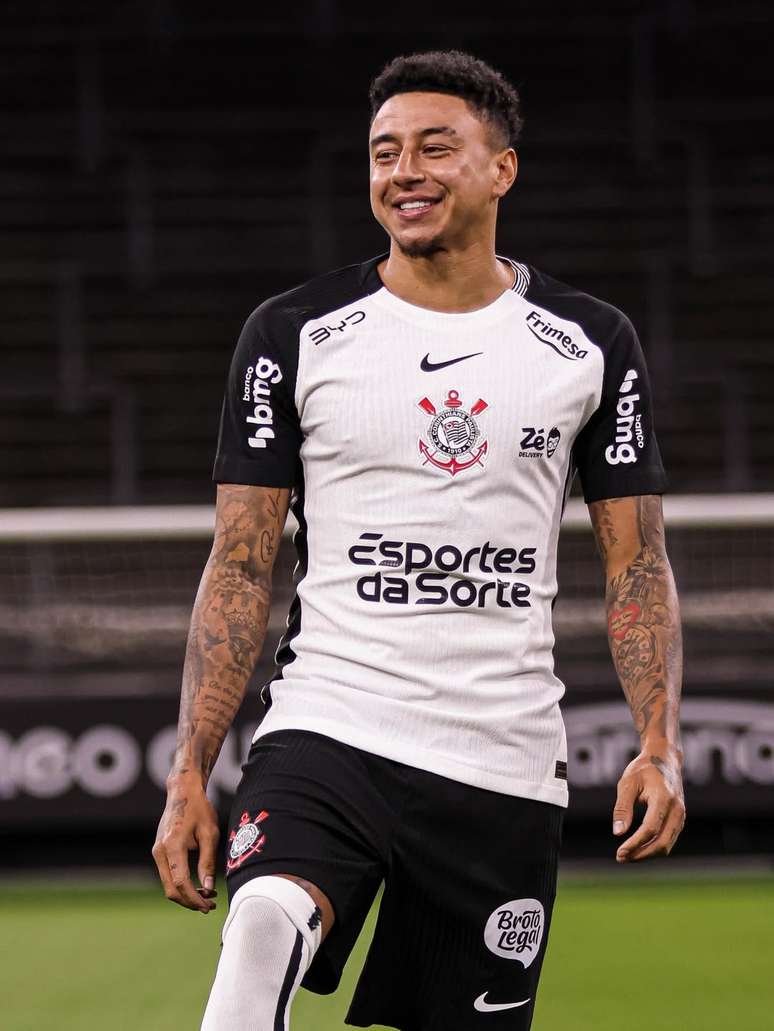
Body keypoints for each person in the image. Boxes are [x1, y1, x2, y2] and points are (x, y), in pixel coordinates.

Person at [152, 49, 686, 1031]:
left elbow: (636, 559)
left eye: (437, 148)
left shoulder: (588, 341)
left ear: (502, 169)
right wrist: (191, 764)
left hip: (503, 755)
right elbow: (240, 558)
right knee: (262, 924)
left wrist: (659, 743)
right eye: (384, 152)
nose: (405, 171)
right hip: (331, 723)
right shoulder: (294, 333)